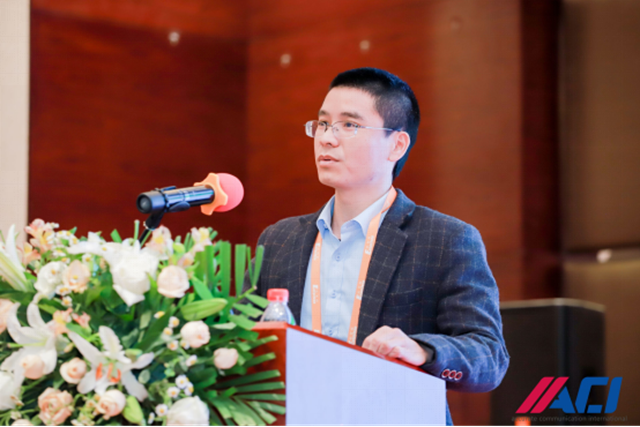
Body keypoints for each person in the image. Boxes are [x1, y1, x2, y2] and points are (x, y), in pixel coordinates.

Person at [250, 67, 509, 425]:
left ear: (397, 145)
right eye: (323, 124)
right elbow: (244, 348)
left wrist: (422, 350)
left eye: (349, 125)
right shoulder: (278, 240)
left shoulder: (445, 239)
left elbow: (489, 357)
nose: (327, 138)